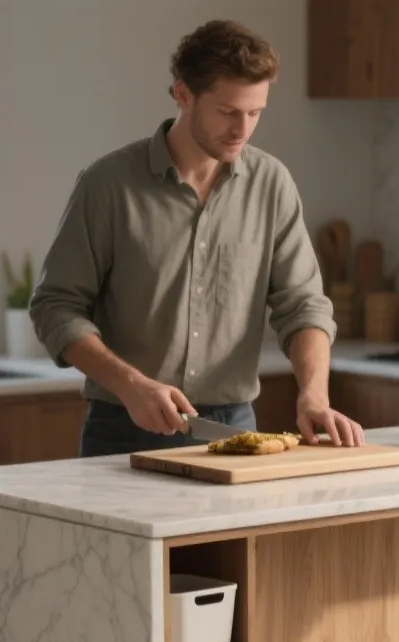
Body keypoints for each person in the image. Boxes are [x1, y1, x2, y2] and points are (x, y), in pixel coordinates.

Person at [31, 20, 364, 457]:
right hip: (124, 424)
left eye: (255, 112)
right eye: (228, 111)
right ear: (183, 94)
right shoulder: (108, 185)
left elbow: (303, 306)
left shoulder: (271, 183)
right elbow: (56, 306)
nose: (243, 129)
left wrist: (314, 395)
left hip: (233, 427)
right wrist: (131, 385)